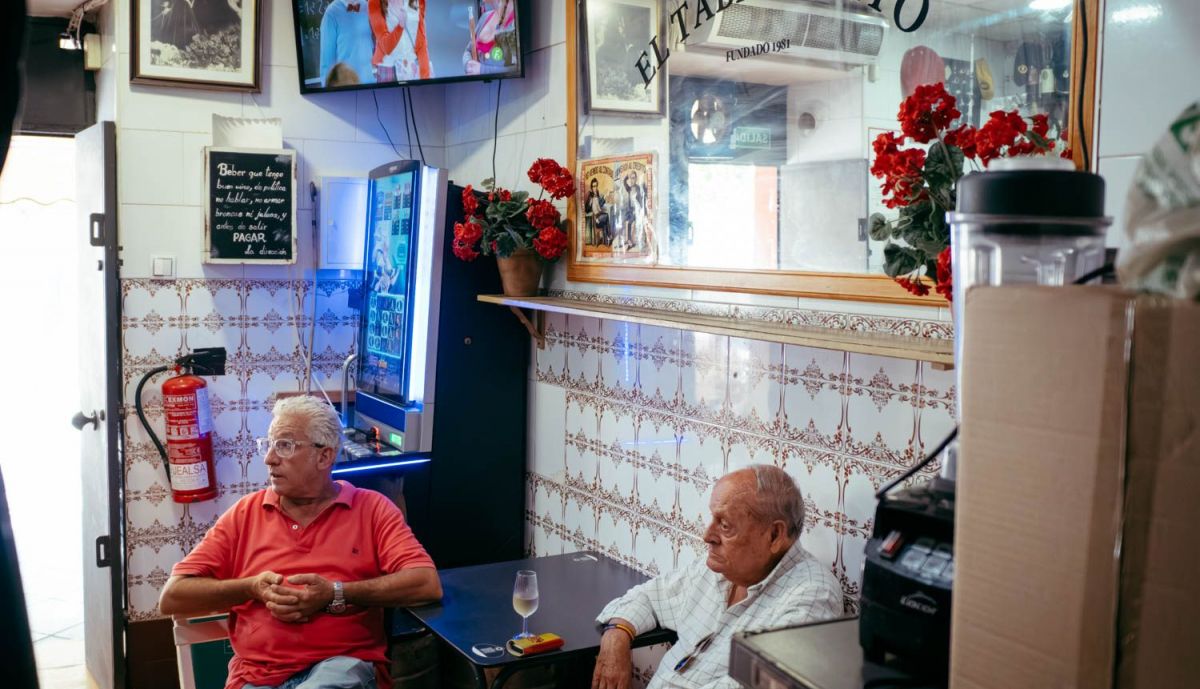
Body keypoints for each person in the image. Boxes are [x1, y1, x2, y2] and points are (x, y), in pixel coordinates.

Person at [158, 396, 442, 689]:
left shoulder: (372, 509)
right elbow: (173, 596)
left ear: (324, 456)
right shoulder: (245, 513)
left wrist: (335, 593)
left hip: (342, 666)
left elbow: (425, 583)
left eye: (285, 446)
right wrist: (250, 588)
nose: (269, 458)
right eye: (268, 444)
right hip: (256, 676)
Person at [592, 465, 842, 689]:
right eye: (713, 518)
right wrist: (616, 636)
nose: (707, 535)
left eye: (725, 526)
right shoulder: (720, 570)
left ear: (774, 535)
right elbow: (647, 596)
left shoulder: (811, 596)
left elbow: (756, 684)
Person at [368, 0, 431, 82]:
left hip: (411, 68)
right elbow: (386, 47)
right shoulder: (374, 2)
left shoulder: (418, 1)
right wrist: (400, 26)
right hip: (388, 69)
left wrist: (425, 77)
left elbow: (421, 42)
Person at [318, 0, 376, 87]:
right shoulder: (331, 14)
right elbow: (326, 66)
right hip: (346, 90)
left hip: (371, 87)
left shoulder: (367, 7)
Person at [463, 0, 517, 76]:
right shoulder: (485, 17)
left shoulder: (516, 23)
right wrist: (468, 64)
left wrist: (482, 70)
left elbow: (517, 68)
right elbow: (468, 50)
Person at [583, 177, 608, 247]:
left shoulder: (597, 193)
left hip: (599, 214)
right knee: (606, 216)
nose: (595, 187)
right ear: (591, 187)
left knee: (606, 217)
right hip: (595, 217)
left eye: (596, 185)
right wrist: (591, 201)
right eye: (594, 186)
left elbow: (600, 204)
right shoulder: (590, 196)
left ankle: (606, 239)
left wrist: (604, 198)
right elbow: (587, 209)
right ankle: (607, 239)